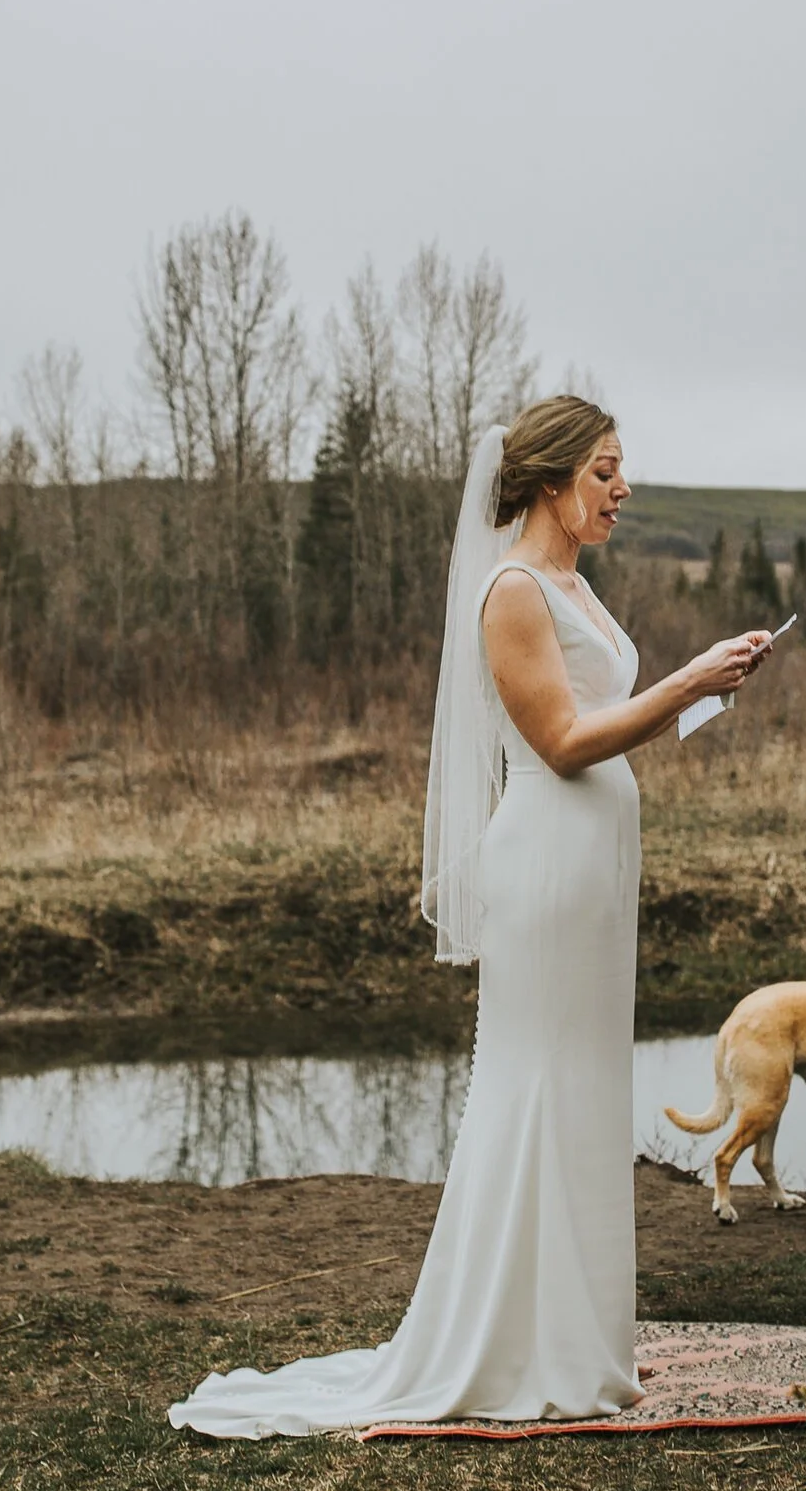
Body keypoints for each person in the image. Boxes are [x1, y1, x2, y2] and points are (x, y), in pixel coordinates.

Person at [170, 396, 769, 1436]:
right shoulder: (509, 590)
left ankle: (573, 1337)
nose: (623, 487)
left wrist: (706, 687)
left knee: (584, 1083)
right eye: (606, 470)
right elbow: (563, 741)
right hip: (545, 862)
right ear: (547, 480)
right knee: (534, 1081)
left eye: (623, 470)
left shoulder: (575, 583)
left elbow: (609, 721)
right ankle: (503, 1340)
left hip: (594, 864)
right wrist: (685, 680)